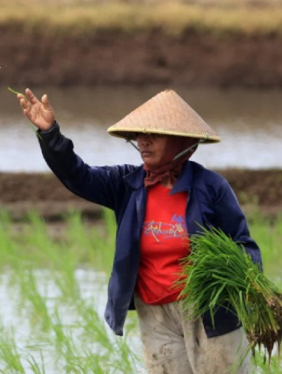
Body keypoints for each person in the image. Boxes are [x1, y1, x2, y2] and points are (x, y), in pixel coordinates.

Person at [15, 88, 263, 374]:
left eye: (154, 135)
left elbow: (244, 247)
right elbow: (78, 176)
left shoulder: (211, 187)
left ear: (181, 141)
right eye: (140, 135)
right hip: (155, 314)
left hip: (208, 312)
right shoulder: (126, 185)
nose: (143, 142)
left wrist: (250, 290)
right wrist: (50, 135)